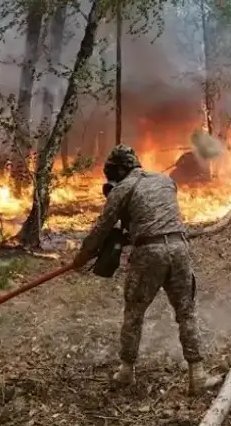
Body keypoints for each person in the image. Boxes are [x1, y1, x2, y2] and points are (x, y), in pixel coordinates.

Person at [73, 145, 223, 394]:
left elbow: (100, 230)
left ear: (120, 169)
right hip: (179, 248)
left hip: (149, 252)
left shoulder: (121, 189)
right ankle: (197, 375)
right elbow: (155, 216)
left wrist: (81, 258)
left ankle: (125, 372)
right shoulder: (165, 181)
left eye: (112, 173)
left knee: (134, 312)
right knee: (186, 312)